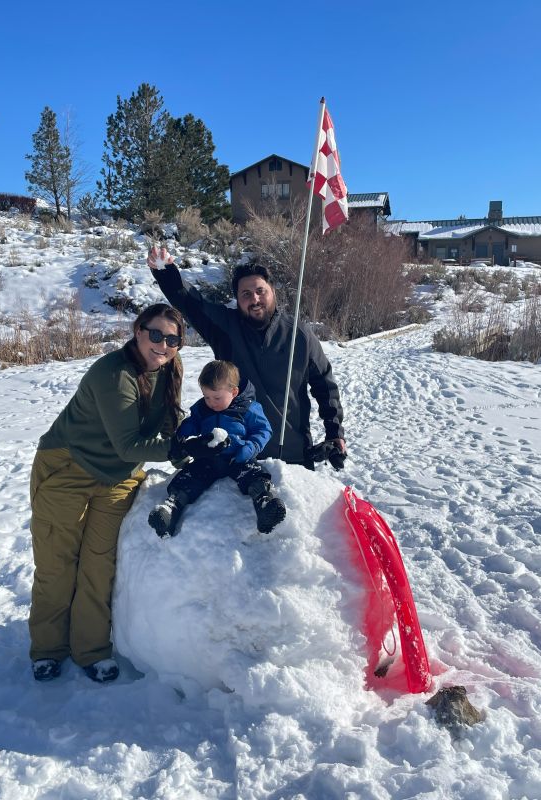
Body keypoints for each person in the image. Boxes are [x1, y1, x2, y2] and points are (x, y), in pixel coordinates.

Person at [28, 303, 185, 683]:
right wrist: (182, 448)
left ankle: (91, 649)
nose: (163, 345)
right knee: (58, 564)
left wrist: (191, 442)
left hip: (117, 479)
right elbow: (129, 445)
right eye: (156, 334)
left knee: (99, 565)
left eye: (173, 339)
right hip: (69, 468)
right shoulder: (114, 374)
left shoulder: (168, 370)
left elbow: (169, 420)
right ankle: (48, 648)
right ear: (138, 330)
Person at [147, 245, 346, 470]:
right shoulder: (225, 327)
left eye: (261, 291)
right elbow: (192, 303)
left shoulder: (299, 335)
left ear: (273, 292)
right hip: (234, 457)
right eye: (246, 294)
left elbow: (325, 385)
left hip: (293, 457)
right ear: (237, 299)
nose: (255, 299)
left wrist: (334, 432)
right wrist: (166, 273)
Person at [148, 360, 286, 537]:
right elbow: (193, 422)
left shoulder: (248, 409)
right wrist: (182, 433)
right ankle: (171, 507)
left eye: (217, 398)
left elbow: (263, 430)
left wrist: (251, 447)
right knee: (189, 476)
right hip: (208, 457)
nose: (211, 402)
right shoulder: (202, 408)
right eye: (206, 397)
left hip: (237, 457)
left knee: (254, 473)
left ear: (234, 392)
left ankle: (265, 503)